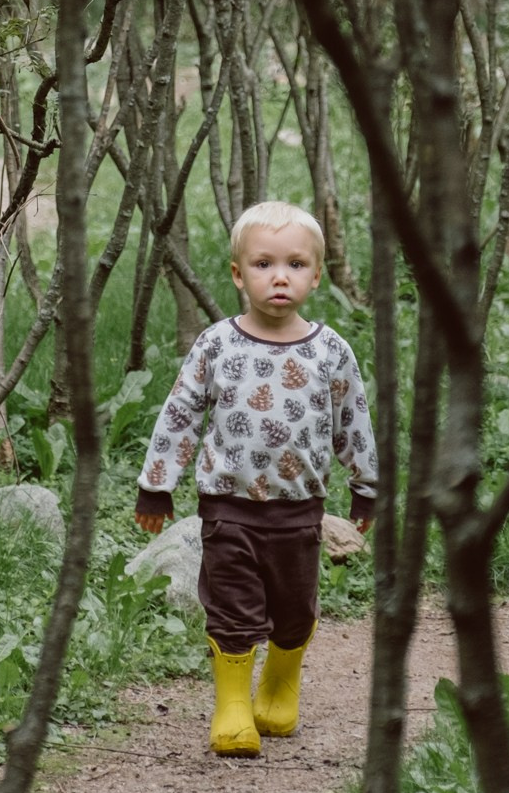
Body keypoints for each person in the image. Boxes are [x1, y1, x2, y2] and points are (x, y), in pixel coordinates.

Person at [135, 200, 379, 757]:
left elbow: (354, 422)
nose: (279, 277)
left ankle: (279, 684)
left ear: (316, 275)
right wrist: (157, 483)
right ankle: (233, 705)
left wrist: (366, 487)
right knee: (233, 606)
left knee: (295, 609)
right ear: (238, 274)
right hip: (228, 507)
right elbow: (179, 413)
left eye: (295, 264)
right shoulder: (217, 345)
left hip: (300, 510)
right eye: (264, 264)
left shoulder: (330, 351)